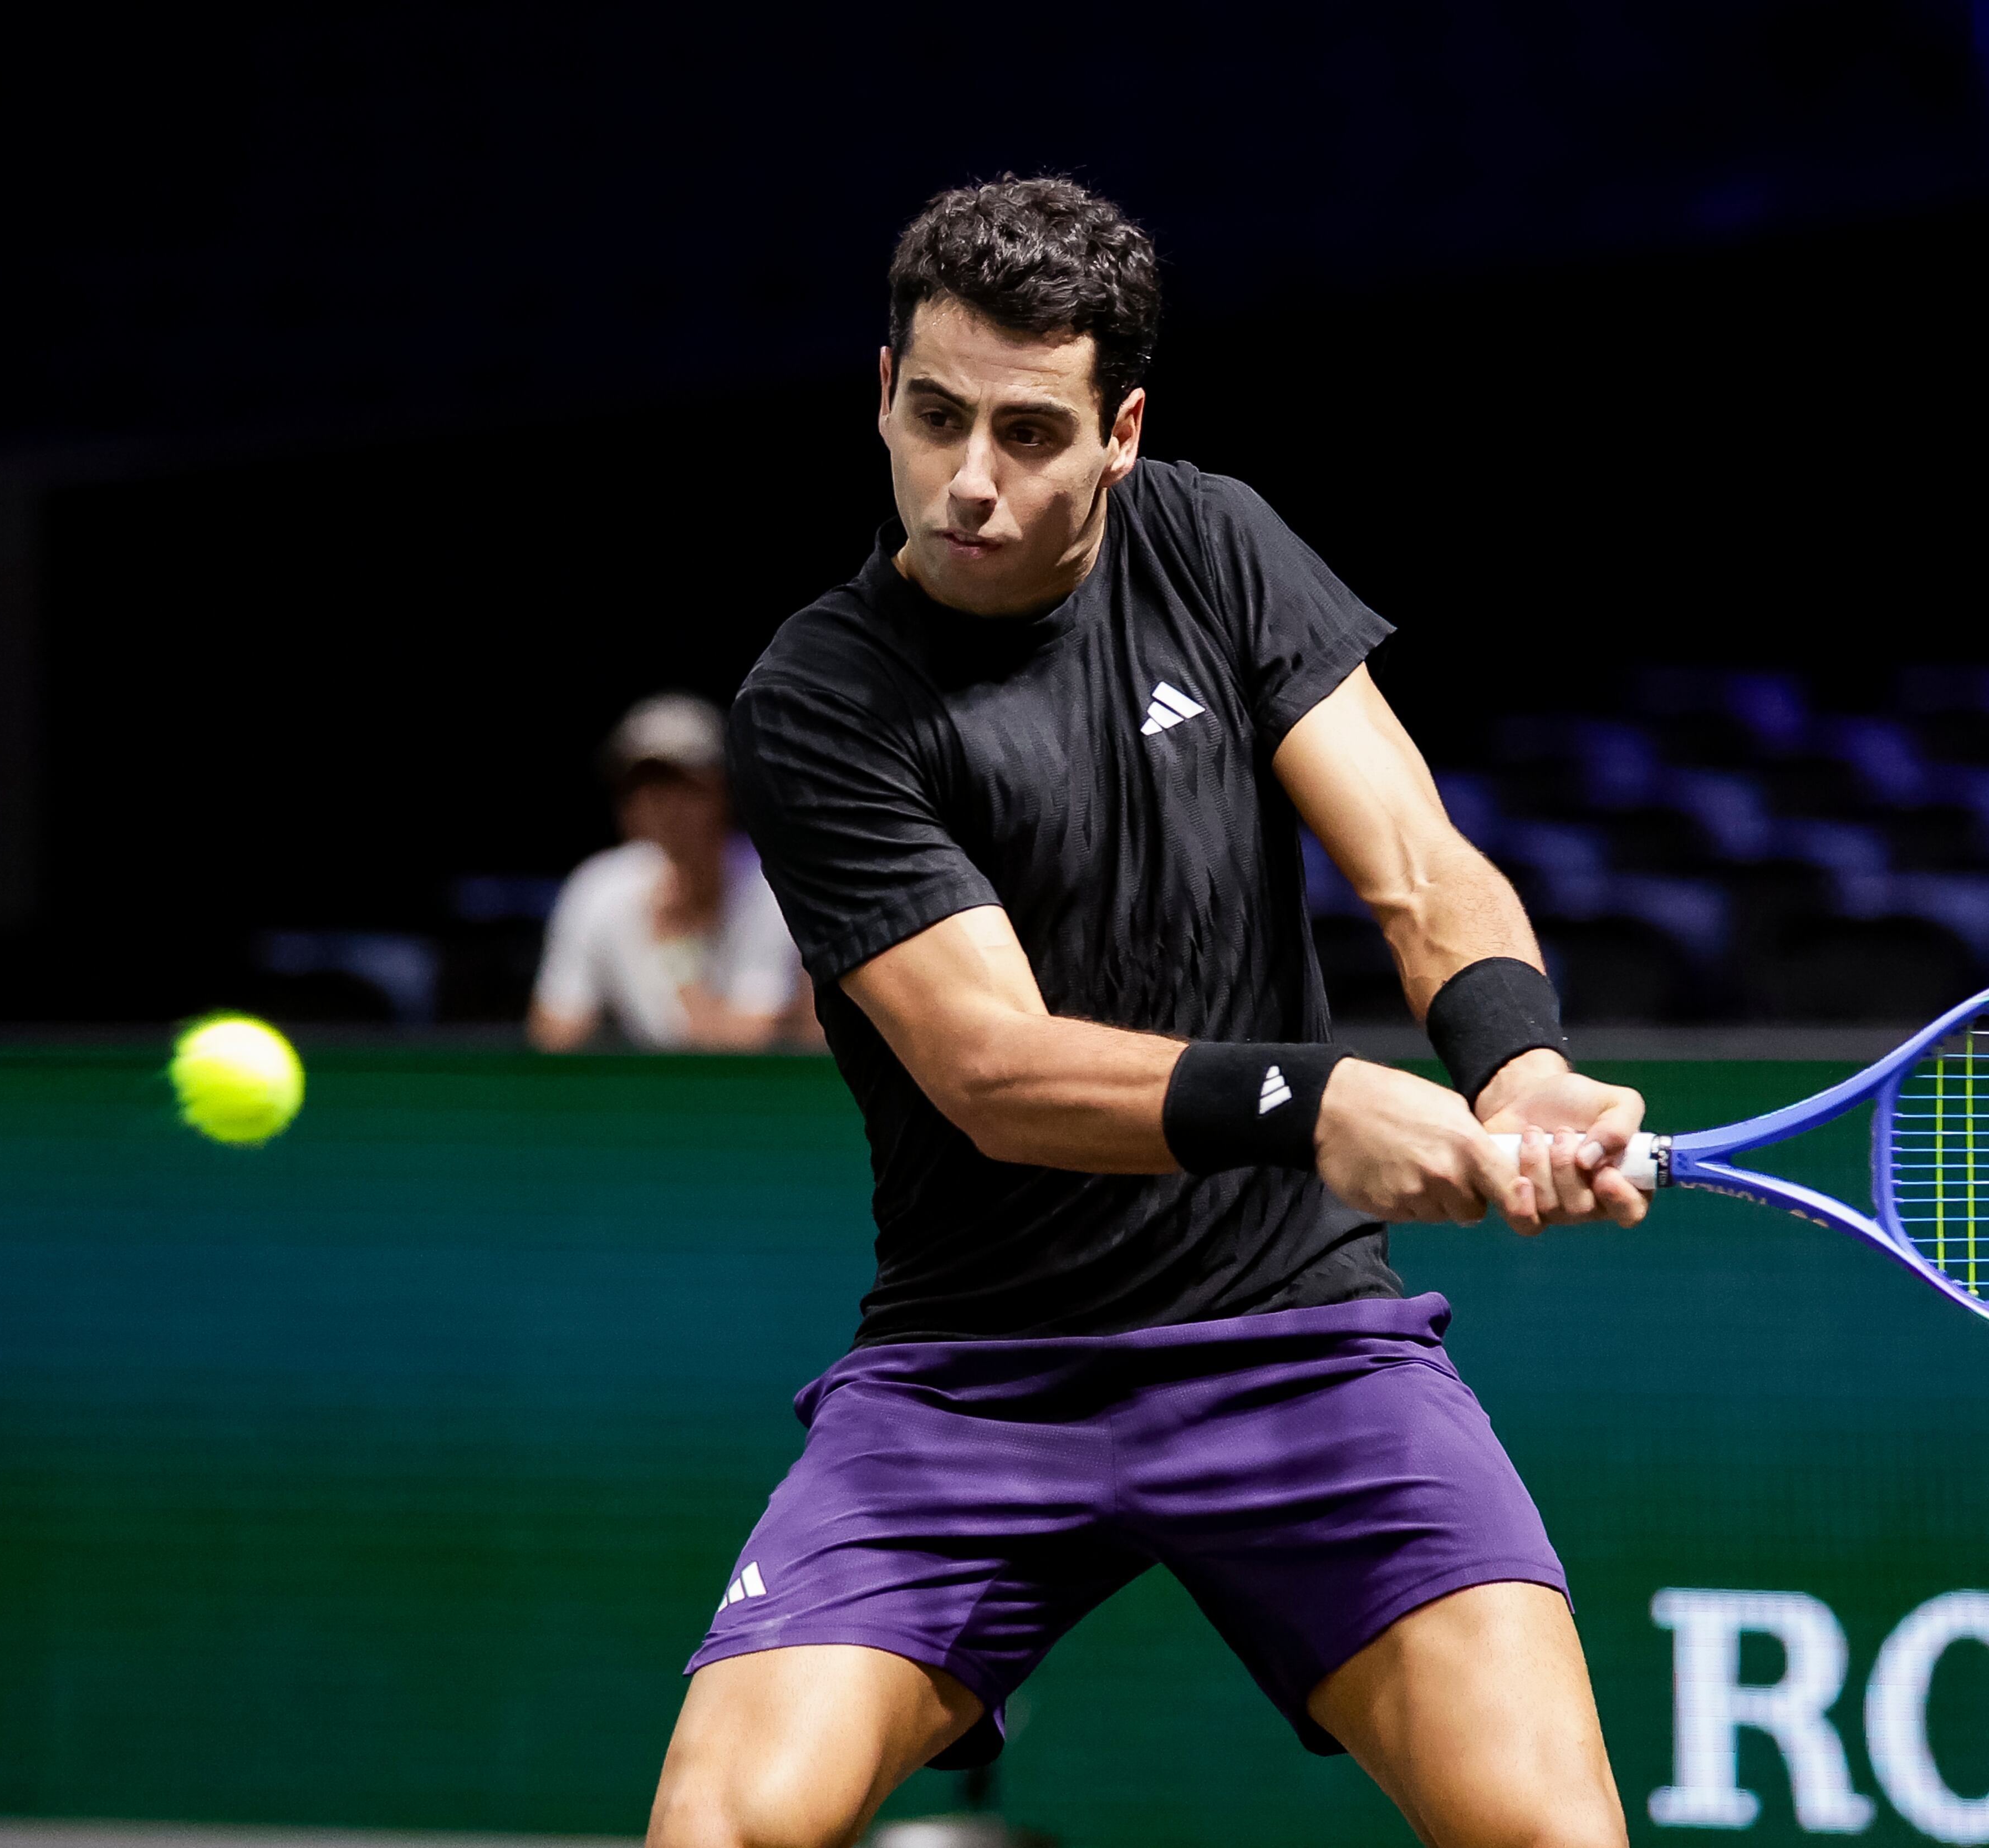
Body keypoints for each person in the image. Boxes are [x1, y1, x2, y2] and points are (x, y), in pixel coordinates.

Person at [647, 178, 1649, 1848]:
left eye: (1029, 432)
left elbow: (1415, 864)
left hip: (1298, 1351)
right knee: (721, 1829)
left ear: (1119, 430)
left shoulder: (1212, 542)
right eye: (933, 414)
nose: (968, 478)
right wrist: (1318, 1103)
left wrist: (1519, 1061)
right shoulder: (820, 700)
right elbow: (992, 1069)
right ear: (878, 390)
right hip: (977, 1380)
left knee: (1555, 1835)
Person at [528, 693, 814, 1052]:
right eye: (640, 786)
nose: (659, 805)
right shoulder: (598, 886)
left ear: (722, 790)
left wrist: (676, 946)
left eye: (679, 785)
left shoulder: (771, 886)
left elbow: (737, 1061)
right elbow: (554, 1039)